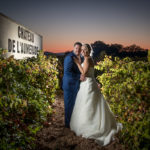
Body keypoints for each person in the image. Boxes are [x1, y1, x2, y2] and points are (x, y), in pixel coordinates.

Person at [70, 43, 123, 146]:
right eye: (82, 50)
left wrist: (77, 63)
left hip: (89, 84)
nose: (83, 52)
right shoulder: (88, 59)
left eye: (85, 50)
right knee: (91, 104)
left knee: (89, 105)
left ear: (89, 51)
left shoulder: (88, 59)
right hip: (89, 83)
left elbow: (84, 72)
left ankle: (90, 125)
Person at [62, 42, 85, 128]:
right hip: (69, 84)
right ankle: (68, 125)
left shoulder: (80, 58)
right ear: (73, 48)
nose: (78, 50)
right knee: (69, 105)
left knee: (75, 105)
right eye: (76, 48)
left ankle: (73, 123)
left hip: (76, 84)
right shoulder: (69, 57)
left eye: (79, 49)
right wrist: (79, 76)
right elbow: (67, 73)